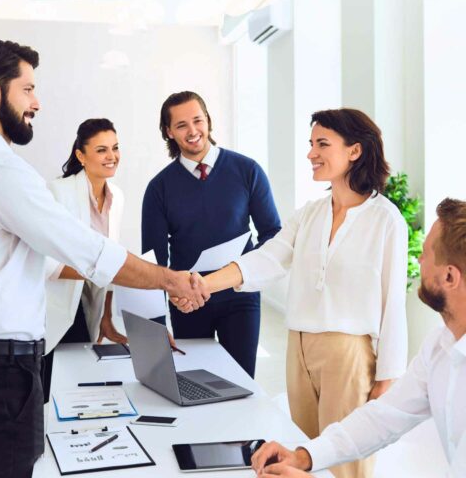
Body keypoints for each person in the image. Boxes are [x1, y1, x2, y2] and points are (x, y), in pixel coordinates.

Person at [0, 39, 207, 478]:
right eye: (27, 89)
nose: (37, 102)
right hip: (3, 369)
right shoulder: (3, 169)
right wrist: (170, 280)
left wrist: (111, 318)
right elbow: (87, 252)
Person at [174, 108, 408, 478]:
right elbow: (267, 258)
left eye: (322, 144)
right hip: (299, 347)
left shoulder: (386, 219)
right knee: (304, 456)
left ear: (355, 151)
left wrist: (388, 379)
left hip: (347, 353)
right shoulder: (311, 212)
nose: (311, 153)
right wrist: (204, 283)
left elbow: (393, 302)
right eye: (311, 143)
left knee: (346, 465)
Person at [250, 197, 466, 478]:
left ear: (450, 277)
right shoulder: (439, 345)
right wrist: (304, 456)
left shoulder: (385, 218)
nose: (419, 259)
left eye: (426, 253)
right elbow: (382, 418)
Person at [142, 91, 281, 378]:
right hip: (188, 302)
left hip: (240, 297)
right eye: (181, 125)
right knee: (196, 381)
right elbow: (153, 263)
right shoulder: (159, 189)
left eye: (198, 120)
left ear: (209, 121)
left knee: (241, 383)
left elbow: (272, 235)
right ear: (169, 132)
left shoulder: (247, 171)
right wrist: (156, 324)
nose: (193, 131)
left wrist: (249, 273)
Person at [42, 118, 126, 401]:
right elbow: (46, 262)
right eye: (102, 150)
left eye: (115, 148)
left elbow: (112, 256)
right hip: (57, 305)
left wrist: (107, 317)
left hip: (90, 304)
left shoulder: (118, 197)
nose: (111, 156)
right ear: (81, 155)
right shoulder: (58, 191)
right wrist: (98, 271)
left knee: (78, 388)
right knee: (54, 387)